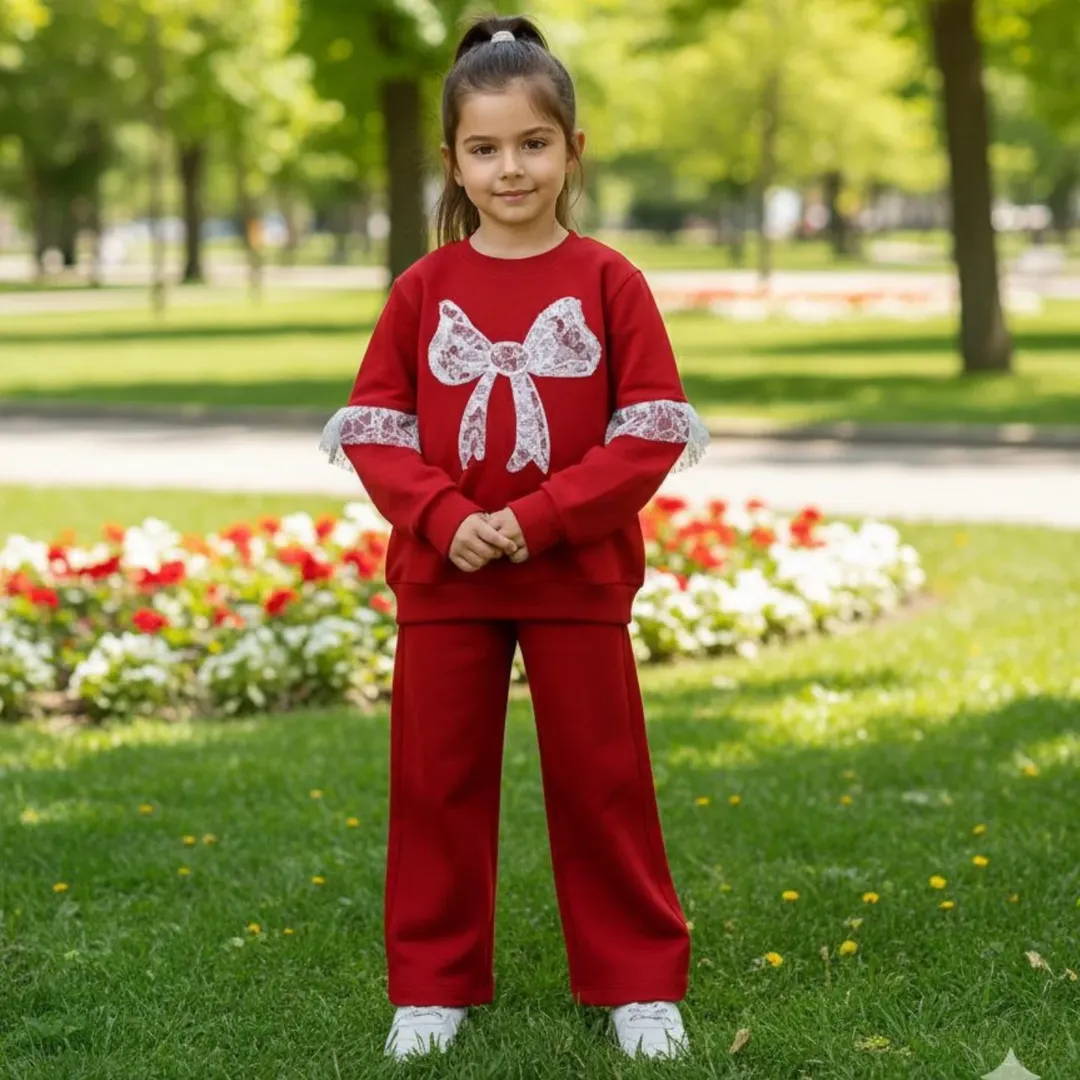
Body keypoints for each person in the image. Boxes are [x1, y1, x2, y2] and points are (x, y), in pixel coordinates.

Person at [319, 12, 709, 1063]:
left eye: (533, 143)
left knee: (603, 779)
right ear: (452, 161)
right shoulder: (422, 289)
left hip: (576, 574)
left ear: (573, 150)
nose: (511, 169)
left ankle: (637, 982)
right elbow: (376, 428)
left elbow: (649, 433)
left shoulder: (612, 282)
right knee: (436, 781)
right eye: (485, 148)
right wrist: (447, 519)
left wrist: (537, 521)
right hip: (444, 578)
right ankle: (432, 985)